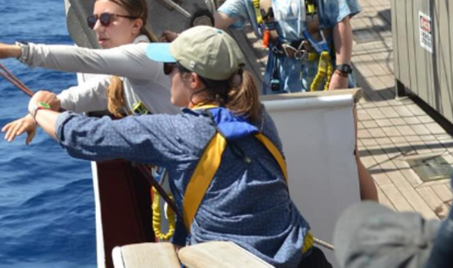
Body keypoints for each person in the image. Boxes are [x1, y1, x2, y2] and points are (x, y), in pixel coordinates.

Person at [28, 26, 330, 268]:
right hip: (303, 257)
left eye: (171, 67)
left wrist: (39, 110)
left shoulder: (180, 132)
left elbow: (86, 136)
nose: (167, 74)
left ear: (194, 79)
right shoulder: (255, 112)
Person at [0, 0, 183, 242]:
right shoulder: (134, 65)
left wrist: (20, 52)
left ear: (135, 25)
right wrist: (41, 113)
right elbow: (96, 90)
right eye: (93, 20)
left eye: (107, 19)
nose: (97, 28)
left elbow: (86, 60)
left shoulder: (144, 55)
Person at [214, 0, 378, 202]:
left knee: (346, 153)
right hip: (280, 83)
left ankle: (374, 223)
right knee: (289, 155)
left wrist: (341, 73)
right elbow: (218, 21)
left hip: (326, 74)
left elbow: (341, 23)